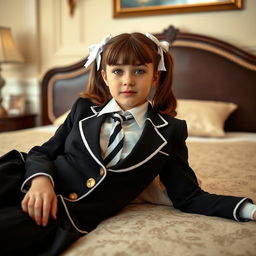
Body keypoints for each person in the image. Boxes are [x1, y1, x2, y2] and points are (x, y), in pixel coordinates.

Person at [0, 32, 255, 256]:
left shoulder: (169, 132)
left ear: (155, 76)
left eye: (139, 71)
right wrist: (40, 180)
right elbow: (42, 152)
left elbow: (188, 196)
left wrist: (249, 210)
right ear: (104, 75)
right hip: (23, 177)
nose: (128, 80)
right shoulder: (82, 110)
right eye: (118, 71)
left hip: (63, 213)